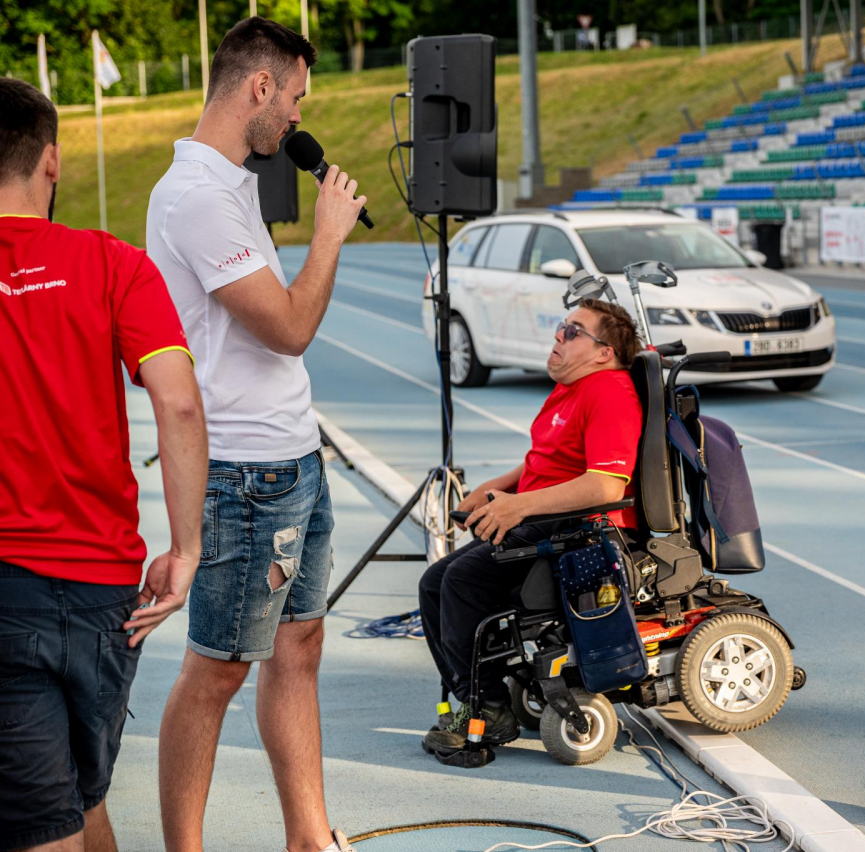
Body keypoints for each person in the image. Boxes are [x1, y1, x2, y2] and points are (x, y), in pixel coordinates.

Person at [144, 18, 366, 852]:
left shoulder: (232, 184)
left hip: (293, 458)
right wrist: (330, 233)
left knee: (299, 646)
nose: (299, 117)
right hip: (243, 475)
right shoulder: (197, 198)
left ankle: (309, 837)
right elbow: (289, 328)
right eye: (296, 96)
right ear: (259, 87)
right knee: (216, 671)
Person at [0, 79, 207, 852]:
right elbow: (179, 404)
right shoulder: (115, 264)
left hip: (7, 587)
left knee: (46, 821)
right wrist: (185, 549)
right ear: (51, 161)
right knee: (80, 804)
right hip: (103, 589)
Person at [418, 300, 643, 755]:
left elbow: (605, 484)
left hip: (580, 531)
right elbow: (547, 461)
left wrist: (517, 506)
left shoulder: (609, 393)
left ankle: (489, 707)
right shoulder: (571, 386)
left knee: (461, 582)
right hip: (543, 518)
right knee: (434, 583)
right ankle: (476, 696)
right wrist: (498, 487)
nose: (559, 336)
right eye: (562, 327)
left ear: (604, 352)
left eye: (573, 331)